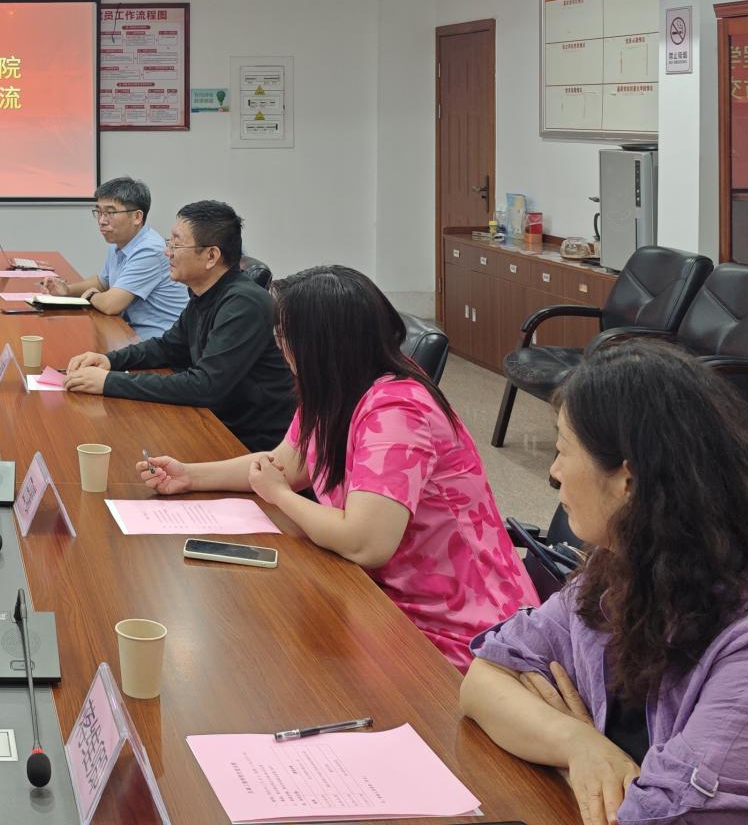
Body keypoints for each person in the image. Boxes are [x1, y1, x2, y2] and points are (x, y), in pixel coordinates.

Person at [461, 340, 748, 825]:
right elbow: (484, 680)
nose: (553, 471)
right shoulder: (623, 570)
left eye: (563, 450)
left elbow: (652, 818)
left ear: (628, 482)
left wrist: (576, 768)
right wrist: (580, 744)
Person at [139, 264, 535, 669]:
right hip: (381, 598)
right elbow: (284, 465)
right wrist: (191, 475)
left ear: (320, 344)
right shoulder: (336, 388)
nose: (279, 347)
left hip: (466, 634)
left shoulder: (398, 411)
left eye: (284, 336)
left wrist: (279, 496)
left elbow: (365, 542)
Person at [64, 199, 292, 450]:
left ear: (211, 256)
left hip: (247, 442)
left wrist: (108, 382)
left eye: (176, 244)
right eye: (169, 242)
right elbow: (168, 347)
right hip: (213, 420)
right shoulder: (205, 293)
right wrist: (109, 361)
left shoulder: (243, 304)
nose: (167, 252)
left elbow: (205, 385)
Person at [42, 176, 187, 336]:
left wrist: (91, 295)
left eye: (110, 212)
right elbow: (103, 282)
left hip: (159, 339)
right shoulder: (120, 241)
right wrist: (67, 290)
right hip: (127, 331)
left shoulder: (149, 249)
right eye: (99, 212)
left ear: (137, 217)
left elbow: (111, 305)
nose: (102, 221)